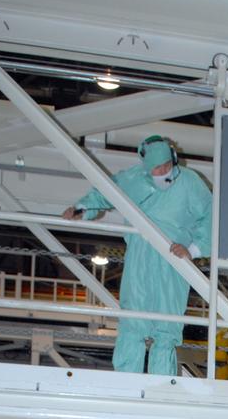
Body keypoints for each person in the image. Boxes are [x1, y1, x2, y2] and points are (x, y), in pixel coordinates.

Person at [63, 136, 212, 375]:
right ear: (146, 168)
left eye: (167, 165)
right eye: (158, 168)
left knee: (167, 326)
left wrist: (193, 250)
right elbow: (105, 194)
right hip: (139, 258)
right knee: (133, 321)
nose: (165, 172)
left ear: (174, 160)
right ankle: (125, 380)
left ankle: (162, 385)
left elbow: (210, 215)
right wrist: (82, 209)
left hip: (172, 258)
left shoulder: (190, 182)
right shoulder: (132, 180)